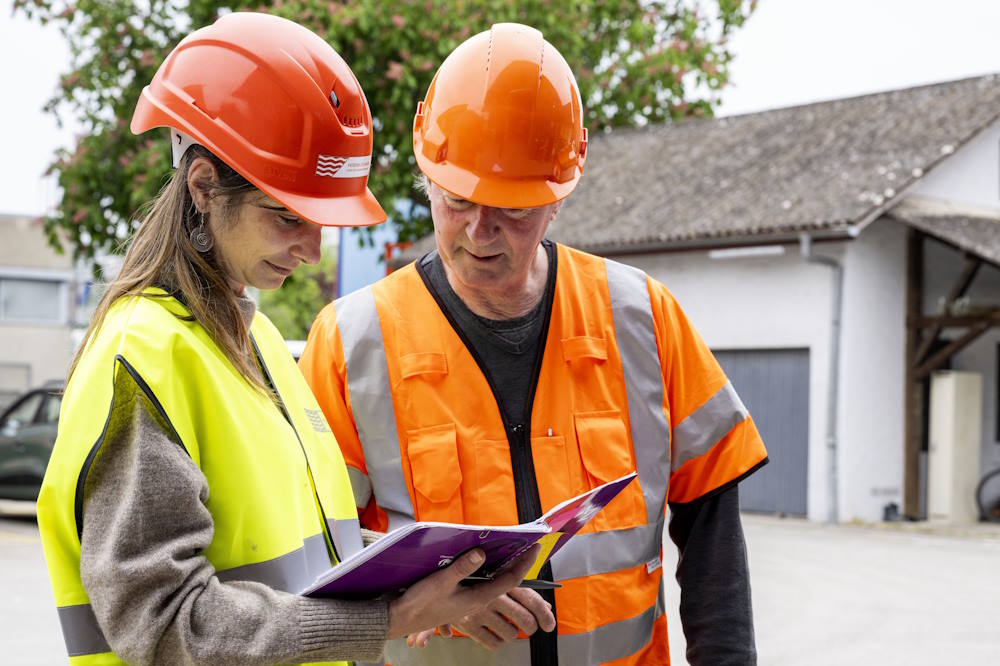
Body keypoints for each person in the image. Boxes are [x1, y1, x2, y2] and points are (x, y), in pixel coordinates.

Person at [36, 13, 541, 666]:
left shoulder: (261, 341)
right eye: (288, 218)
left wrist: (437, 588)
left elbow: (300, 555)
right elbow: (165, 625)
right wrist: (387, 618)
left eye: (323, 219)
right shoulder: (140, 359)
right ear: (203, 188)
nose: (312, 249)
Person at [299, 22, 769, 666]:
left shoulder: (643, 318)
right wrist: (429, 595)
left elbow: (714, 530)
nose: (481, 232)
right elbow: (316, 551)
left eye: (513, 211)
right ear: (428, 178)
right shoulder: (351, 343)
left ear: (557, 199)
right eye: (459, 201)